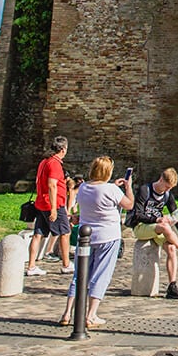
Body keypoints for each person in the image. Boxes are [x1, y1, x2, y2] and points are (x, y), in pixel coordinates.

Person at [58, 157, 133, 328]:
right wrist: (128, 188)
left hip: (85, 239)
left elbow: (93, 200)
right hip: (108, 237)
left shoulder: (84, 187)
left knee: (79, 275)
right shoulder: (112, 190)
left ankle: (67, 313)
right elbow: (129, 205)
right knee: (101, 275)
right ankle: (91, 315)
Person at [125, 167, 178, 299]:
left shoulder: (167, 195)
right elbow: (138, 214)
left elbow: (177, 215)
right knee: (165, 226)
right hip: (141, 227)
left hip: (157, 228)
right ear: (161, 179)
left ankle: (172, 285)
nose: (167, 190)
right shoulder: (145, 190)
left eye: (170, 188)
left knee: (171, 248)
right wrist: (156, 219)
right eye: (166, 187)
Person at [27, 136, 73, 276]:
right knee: (65, 233)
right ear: (63, 149)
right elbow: (52, 185)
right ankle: (66, 264)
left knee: (38, 234)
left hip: (41, 202)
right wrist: (53, 208)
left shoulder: (44, 162)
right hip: (52, 204)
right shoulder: (55, 164)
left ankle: (31, 266)